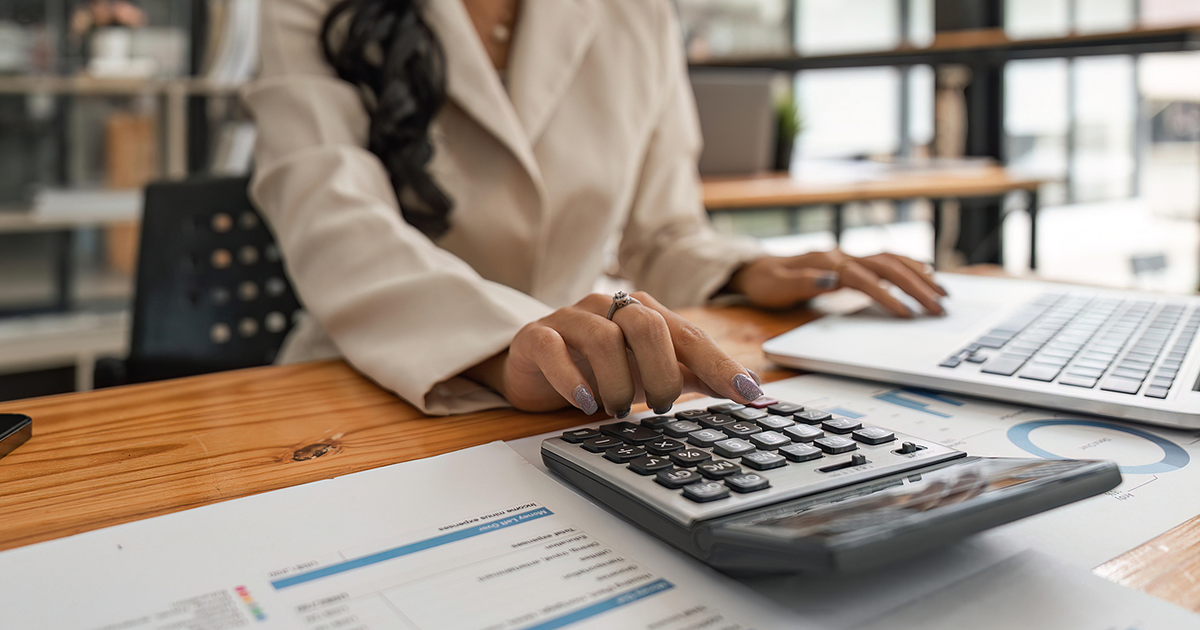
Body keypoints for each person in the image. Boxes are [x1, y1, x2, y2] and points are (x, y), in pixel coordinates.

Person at [244, 0, 946, 418]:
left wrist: (753, 268)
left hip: (585, 393)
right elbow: (329, 212)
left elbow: (663, 232)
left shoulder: (637, 11)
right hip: (375, 382)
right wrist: (503, 342)